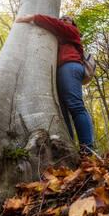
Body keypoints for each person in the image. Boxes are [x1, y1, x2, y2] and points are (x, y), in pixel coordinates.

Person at [16, 14, 94, 151]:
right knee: (62, 112)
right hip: (59, 71)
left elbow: (56, 25)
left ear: (73, 24)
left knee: (75, 106)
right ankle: (70, 149)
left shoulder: (71, 31)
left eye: (68, 18)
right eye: (62, 18)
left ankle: (88, 149)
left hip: (70, 66)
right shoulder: (57, 37)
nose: (64, 19)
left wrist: (34, 17)